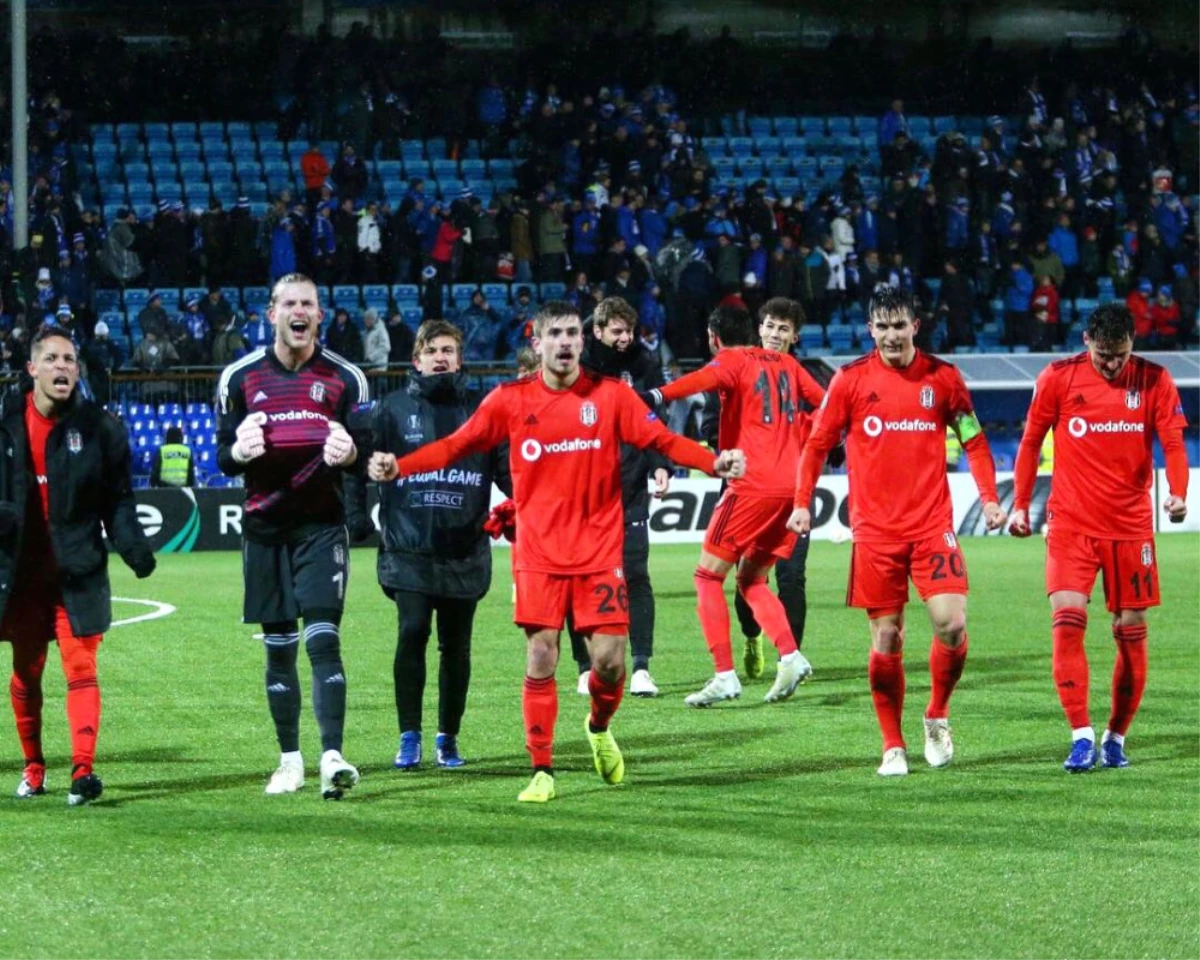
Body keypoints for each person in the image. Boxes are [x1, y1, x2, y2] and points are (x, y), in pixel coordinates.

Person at [368, 300, 745, 803]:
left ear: (581, 341)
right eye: (556, 334)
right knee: (541, 654)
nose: (565, 342)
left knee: (609, 664)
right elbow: (457, 445)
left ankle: (597, 725)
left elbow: (659, 438)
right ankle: (542, 768)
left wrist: (711, 461)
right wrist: (403, 466)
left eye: (572, 333)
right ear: (537, 342)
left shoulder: (610, 397)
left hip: (599, 551)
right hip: (539, 553)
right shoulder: (508, 400)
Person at [788, 287, 1006, 776]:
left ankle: (937, 715)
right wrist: (802, 504)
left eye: (898, 324)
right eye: (881, 326)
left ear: (915, 326)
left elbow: (973, 440)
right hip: (876, 533)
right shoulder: (849, 380)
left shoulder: (943, 378)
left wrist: (990, 497)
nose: (890, 334)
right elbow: (816, 444)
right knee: (887, 638)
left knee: (951, 624)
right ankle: (892, 745)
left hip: (932, 527)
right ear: (870, 329)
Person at [1008, 303, 1188, 772]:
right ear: (1087, 340)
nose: (1113, 365)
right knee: (1067, 621)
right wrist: (1021, 503)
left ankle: (1116, 737)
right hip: (1071, 525)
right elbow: (1030, 441)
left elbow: (1172, 441)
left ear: (1133, 345)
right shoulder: (1058, 377)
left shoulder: (1154, 380)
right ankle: (1081, 735)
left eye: (1121, 355)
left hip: (1131, 529)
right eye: (1105, 355)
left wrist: (1179, 492)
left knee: (1130, 634)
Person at [216, 273, 370, 800]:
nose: (298, 311)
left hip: (321, 528)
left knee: (324, 640)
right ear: (272, 313)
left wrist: (350, 455)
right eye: (289, 303)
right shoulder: (240, 378)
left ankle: (331, 756)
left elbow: (368, 458)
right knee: (279, 650)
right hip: (263, 531)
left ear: (319, 315)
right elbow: (220, 455)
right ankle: (290, 761)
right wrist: (238, 452)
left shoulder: (346, 378)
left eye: (308, 303)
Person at [0, 324, 156, 804]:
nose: (62, 367)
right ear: (31, 369)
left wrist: (133, 548)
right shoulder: (5, 419)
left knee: (80, 665)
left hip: (79, 568)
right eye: (51, 359)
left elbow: (120, 500)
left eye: (69, 359)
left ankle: (82, 773)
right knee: (27, 672)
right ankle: (34, 767)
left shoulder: (100, 428)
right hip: (22, 574)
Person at [644, 300, 826, 707]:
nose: (775, 334)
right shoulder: (794, 370)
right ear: (760, 328)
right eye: (770, 326)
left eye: (783, 328)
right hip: (790, 490)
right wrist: (808, 433)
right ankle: (790, 655)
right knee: (751, 580)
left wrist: (655, 394)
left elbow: (696, 382)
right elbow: (831, 406)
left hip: (751, 484)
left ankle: (724, 674)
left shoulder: (736, 358)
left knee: (707, 577)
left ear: (793, 335)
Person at [351, 320, 510, 771]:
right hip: (409, 551)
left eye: (449, 350)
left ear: (460, 359)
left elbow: (510, 474)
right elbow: (354, 464)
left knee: (456, 648)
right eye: (432, 350)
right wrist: (356, 515)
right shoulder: (390, 410)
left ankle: (449, 737)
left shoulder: (485, 413)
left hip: (465, 551)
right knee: (412, 632)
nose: (441, 357)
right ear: (416, 359)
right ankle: (409, 736)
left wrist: (521, 514)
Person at [567, 297, 669, 698]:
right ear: (598, 330)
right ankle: (582, 666)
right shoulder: (576, 361)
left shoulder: (643, 362)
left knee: (636, 575)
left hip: (628, 485)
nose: (626, 338)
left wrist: (661, 463)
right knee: (576, 580)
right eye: (617, 331)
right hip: (580, 489)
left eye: (630, 331)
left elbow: (652, 420)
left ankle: (641, 667)